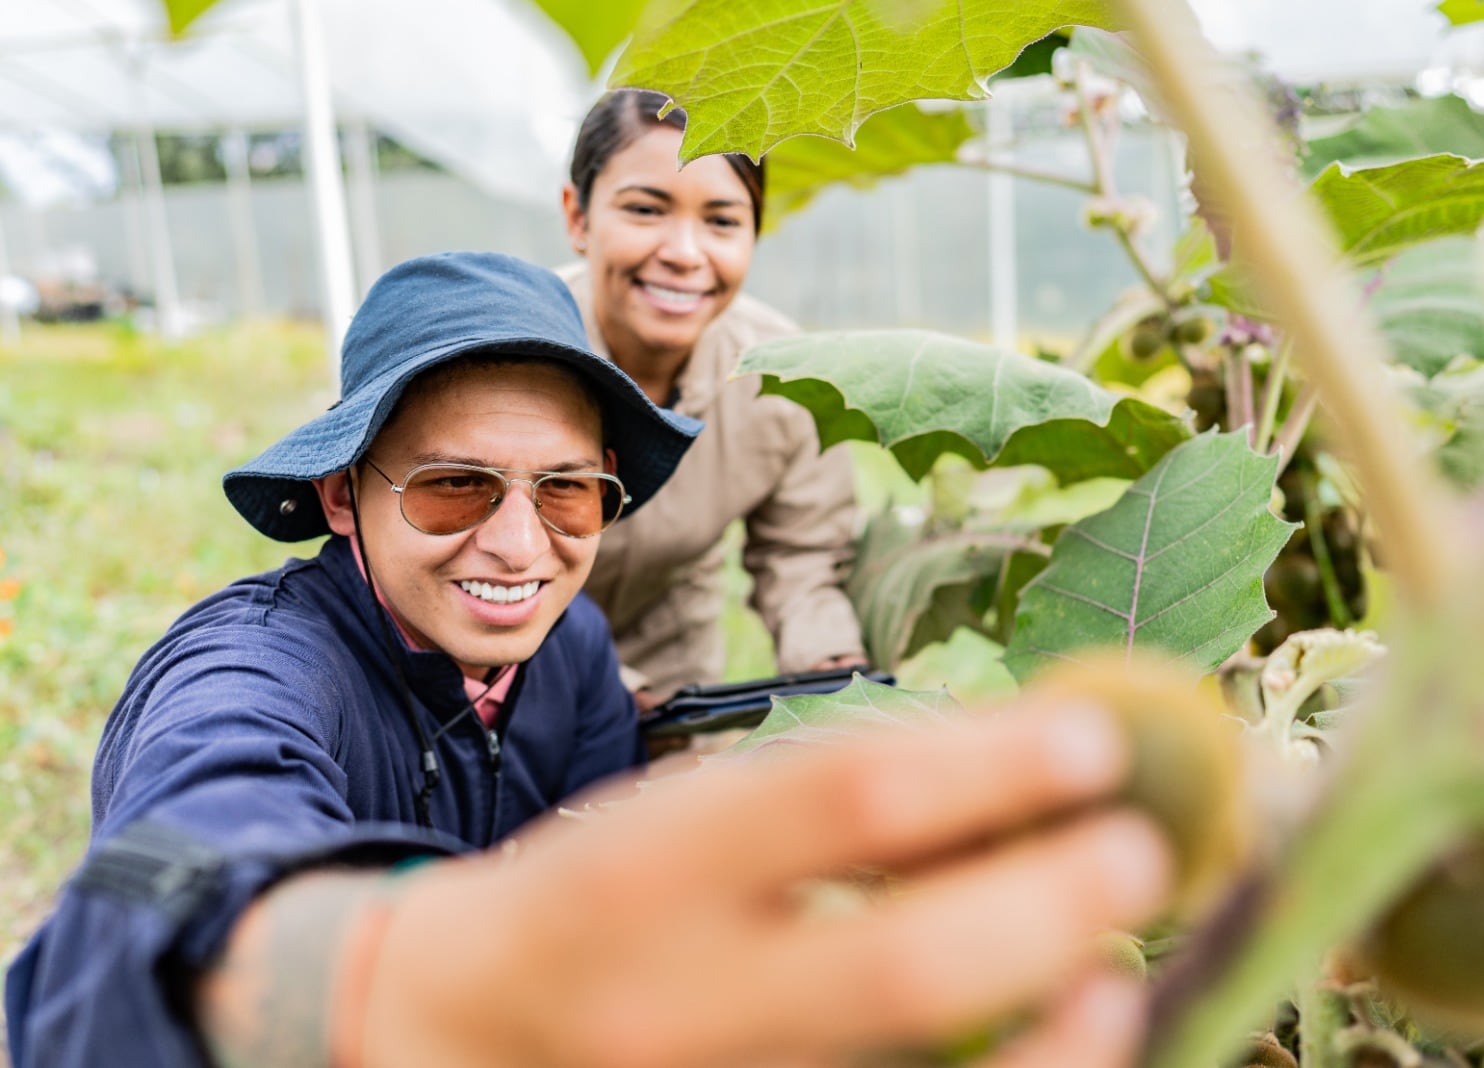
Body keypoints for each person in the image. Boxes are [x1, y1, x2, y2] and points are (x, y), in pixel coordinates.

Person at [5, 250, 1175, 1068]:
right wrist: (369, 976)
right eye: (454, 485)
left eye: (565, 491)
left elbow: (594, 852)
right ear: (341, 496)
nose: (520, 545)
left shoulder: (570, 648)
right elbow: (164, 871)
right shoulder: (253, 669)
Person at [560, 88, 867, 707]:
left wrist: (827, 658)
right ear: (579, 218)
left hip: (673, 670)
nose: (684, 253)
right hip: (506, 668)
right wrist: (607, 692)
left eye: (722, 221)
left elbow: (802, 556)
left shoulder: (784, 376)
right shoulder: (511, 358)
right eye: (645, 210)